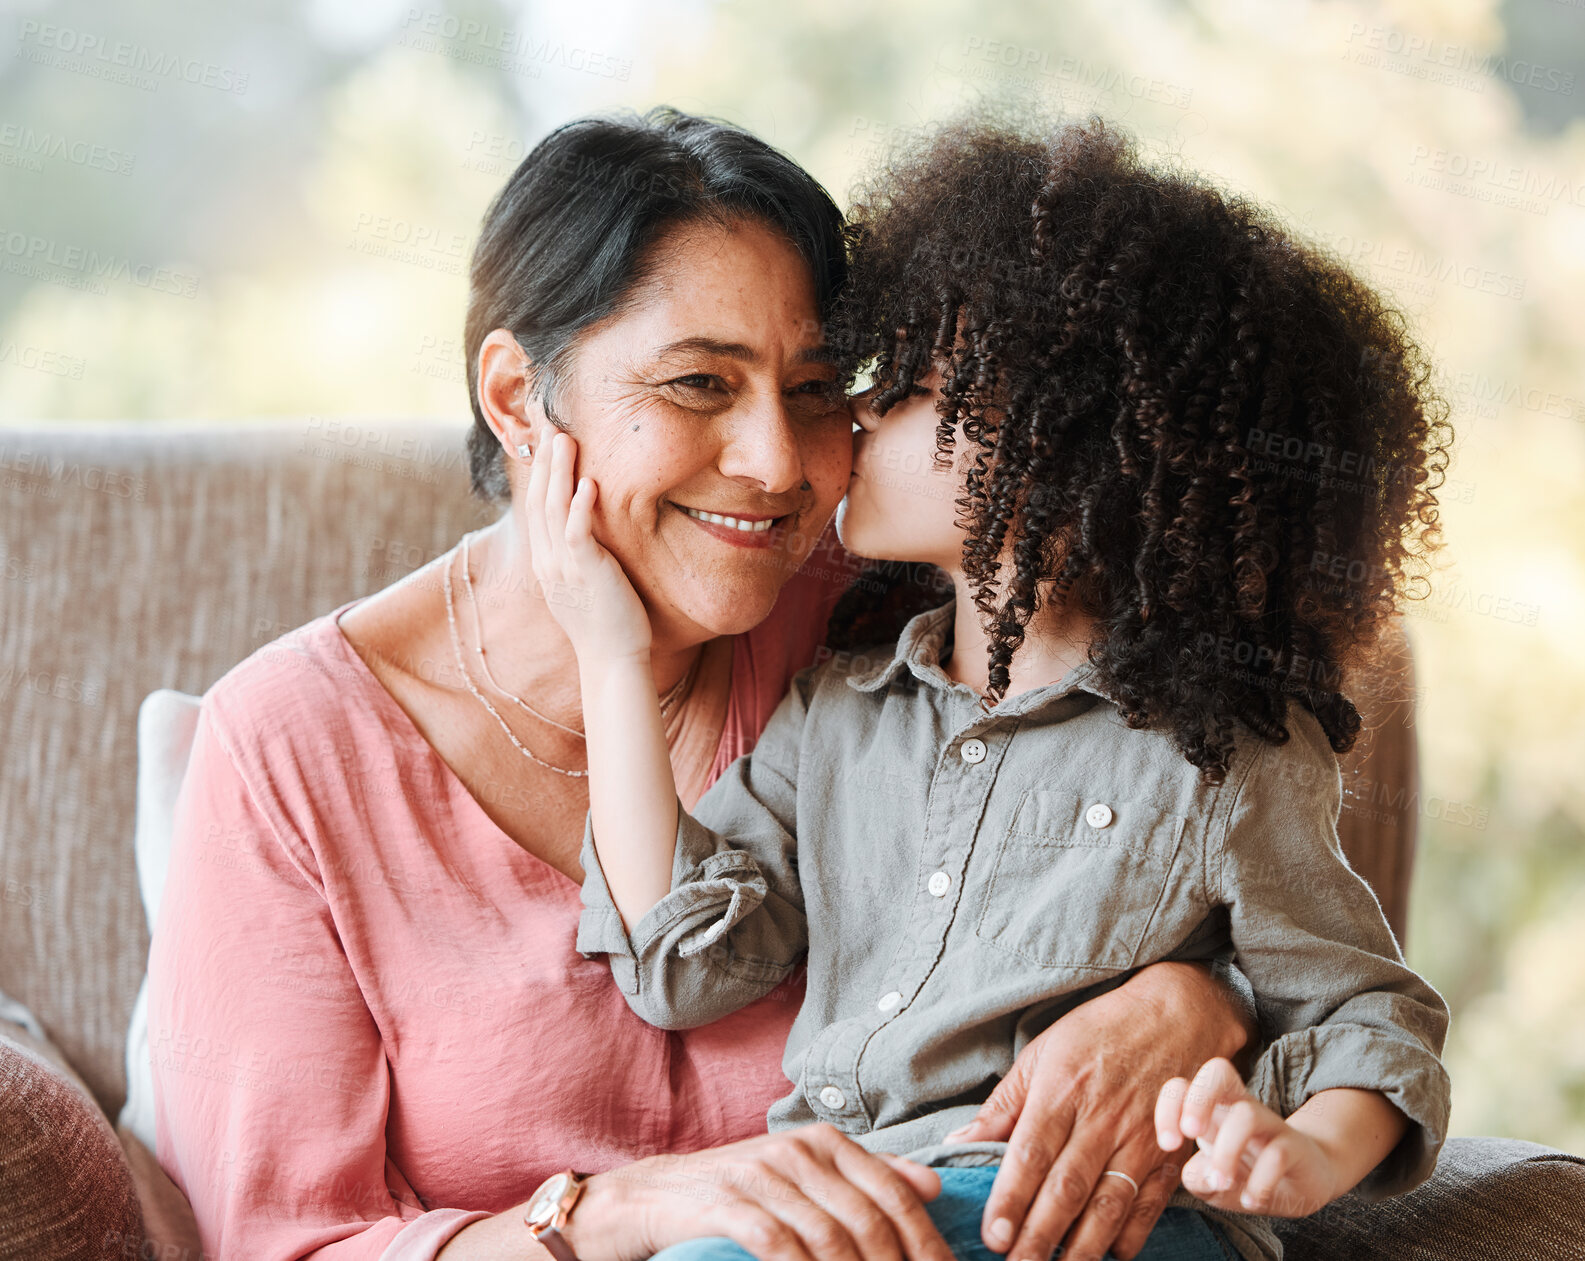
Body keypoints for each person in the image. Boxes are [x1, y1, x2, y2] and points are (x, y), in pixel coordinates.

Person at [146, 107, 1258, 1261]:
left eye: (818, 386)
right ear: (520, 399)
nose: (776, 464)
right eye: (696, 385)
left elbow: (1218, 820)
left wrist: (1196, 1001)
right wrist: (620, 1211)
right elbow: (287, 1243)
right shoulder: (286, 751)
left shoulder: (898, 623)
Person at [531, 116, 1453, 1261]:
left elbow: (1367, 1012)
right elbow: (681, 967)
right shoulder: (836, 713)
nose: (854, 415)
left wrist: (1304, 1153)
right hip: (864, 1202)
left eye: (912, 387)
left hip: (1097, 1219)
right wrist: (611, 659)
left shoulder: (1226, 752)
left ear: (1073, 461)